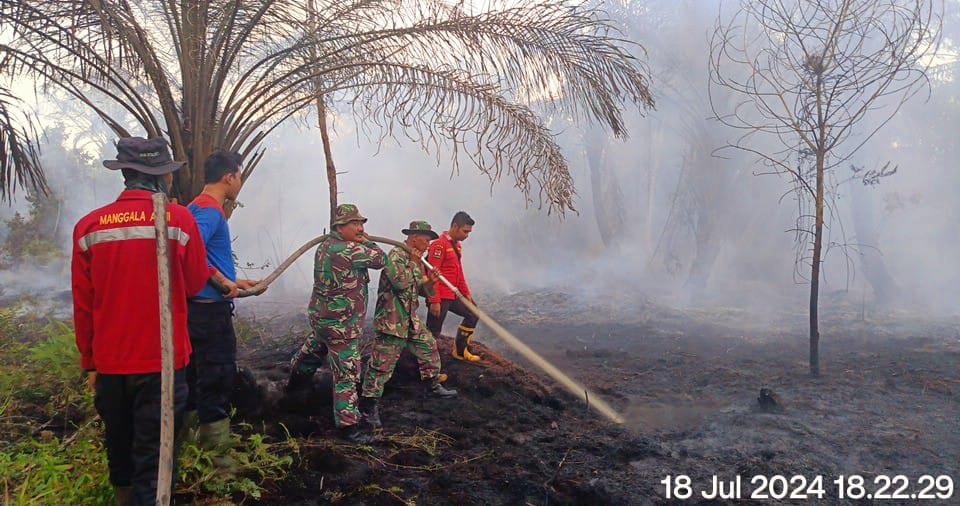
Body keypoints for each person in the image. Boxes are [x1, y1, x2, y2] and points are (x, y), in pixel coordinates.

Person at [72, 137, 210, 505]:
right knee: (156, 461)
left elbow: (83, 306)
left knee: (120, 449)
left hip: (111, 364)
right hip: (162, 366)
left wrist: (90, 363)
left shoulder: (89, 227)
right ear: (163, 175)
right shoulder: (178, 219)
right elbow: (196, 284)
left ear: (126, 174)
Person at [183, 150, 262, 471]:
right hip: (208, 313)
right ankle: (218, 460)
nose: (240, 182)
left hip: (196, 310)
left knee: (193, 375)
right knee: (217, 375)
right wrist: (219, 282)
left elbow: (200, 255)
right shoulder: (209, 210)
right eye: (239, 176)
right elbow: (189, 249)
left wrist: (235, 280)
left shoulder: (194, 207)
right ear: (229, 177)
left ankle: (188, 446)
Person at [287, 204, 386, 443]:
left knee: (313, 349)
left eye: (362, 224)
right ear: (340, 227)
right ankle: (348, 426)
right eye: (355, 224)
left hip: (323, 319)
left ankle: (294, 386)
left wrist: (359, 238)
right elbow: (381, 259)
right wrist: (368, 241)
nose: (361, 228)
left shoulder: (325, 247)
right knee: (347, 373)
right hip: (342, 324)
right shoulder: (351, 250)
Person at [359, 221, 457, 429]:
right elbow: (400, 283)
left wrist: (431, 281)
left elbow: (422, 289)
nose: (429, 243)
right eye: (426, 239)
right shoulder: (396, 255)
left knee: (428, 345)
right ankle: (369, 405)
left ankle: (431, 384)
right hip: (392, 320)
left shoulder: (418, 259)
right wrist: (414, 263)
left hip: (409, 319)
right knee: (381, 365)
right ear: (414, 238)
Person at [426, 211, 481, 362]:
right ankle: (427, 367)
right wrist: (434, 300)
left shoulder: (457, 246)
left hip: (452, 294)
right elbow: (432, 274)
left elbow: (459, 272)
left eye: (469, 232)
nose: (467, 236)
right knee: (433, 331)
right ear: (455, 226)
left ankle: (461, 351)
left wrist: (467, 295)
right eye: (465, 231)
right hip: (440, 295)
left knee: (472, 313)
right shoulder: (439, 245)